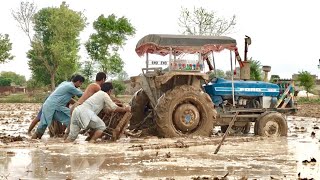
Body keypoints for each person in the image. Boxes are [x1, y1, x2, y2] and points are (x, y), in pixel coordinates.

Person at [65, 82, 131, 143]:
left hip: (76, 111)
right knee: (101, 127)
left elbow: (106, 110)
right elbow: (113, 107)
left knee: (71, 137)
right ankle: (91, 143)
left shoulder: (98, 94)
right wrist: (125, 109)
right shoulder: (104, 94)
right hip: (85, 113)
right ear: (110, 90)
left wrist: (114, 106)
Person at [32, 75, 85, 139]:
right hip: (55, 107)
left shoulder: (64, 83)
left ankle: (33, 141)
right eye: (81, 83)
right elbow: (83, 95)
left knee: (42, 125)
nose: (80, 85)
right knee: (72, 119)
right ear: (78, 82)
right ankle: (67, 139)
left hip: (48, 105)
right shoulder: (71, 87)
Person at [63, 72, 107, 139]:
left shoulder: (91, 85)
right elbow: (105, 96)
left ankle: (64, 142)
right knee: (73, 131)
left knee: (70, 131)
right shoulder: (96, 86)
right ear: (103, 79)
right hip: (80, 107)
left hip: (76, 106)